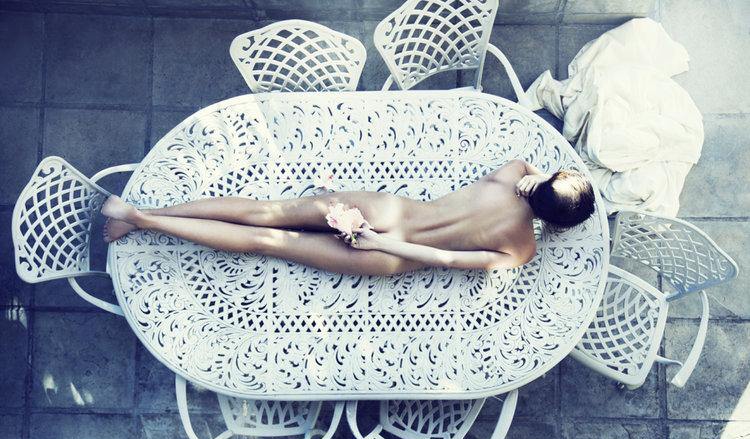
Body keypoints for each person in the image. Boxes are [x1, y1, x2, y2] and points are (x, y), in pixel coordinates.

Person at [102, 159, 595, 276]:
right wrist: (378, 244)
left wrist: (536, 183)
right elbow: (445, 259)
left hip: (383, 209)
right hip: (384, 255)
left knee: (263, 212)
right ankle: (144, 221)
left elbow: (530, 171)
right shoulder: (521, 249)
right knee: (265, 243)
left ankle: (141, 213)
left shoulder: (512, 174)